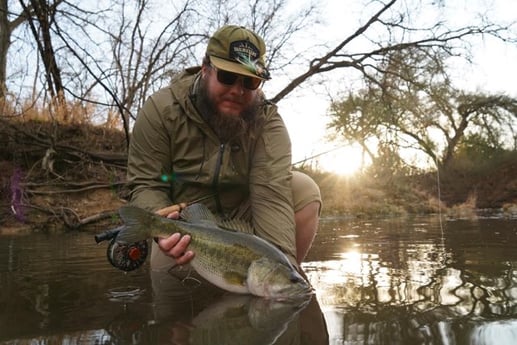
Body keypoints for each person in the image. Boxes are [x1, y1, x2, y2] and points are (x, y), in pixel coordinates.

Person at [126, 24, 322, 272]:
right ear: (206, 68)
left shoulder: (268, 122)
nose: (237, 90)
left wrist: (279, 272)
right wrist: (162, 226)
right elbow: (146, 183)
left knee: (303, 188)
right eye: (227, 77)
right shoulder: (161, 109)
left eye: (250, 81)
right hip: (186, 226)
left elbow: (271, 195)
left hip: (245, 222)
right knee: (172, 302)